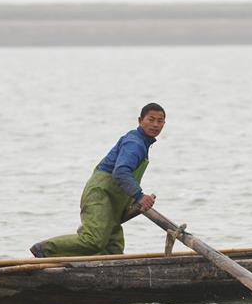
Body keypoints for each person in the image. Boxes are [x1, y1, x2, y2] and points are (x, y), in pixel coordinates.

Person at [30, 103, 166, 258]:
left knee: (113, 249)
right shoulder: (134, 143)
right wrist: (140, 196)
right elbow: (121, 172)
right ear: (140, 120)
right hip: (101, 195)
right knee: (93, 240)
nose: (155, 125)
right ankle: (45, 250)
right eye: (151, 119)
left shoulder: (142, 143)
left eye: (160, 121)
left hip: (113, 202)